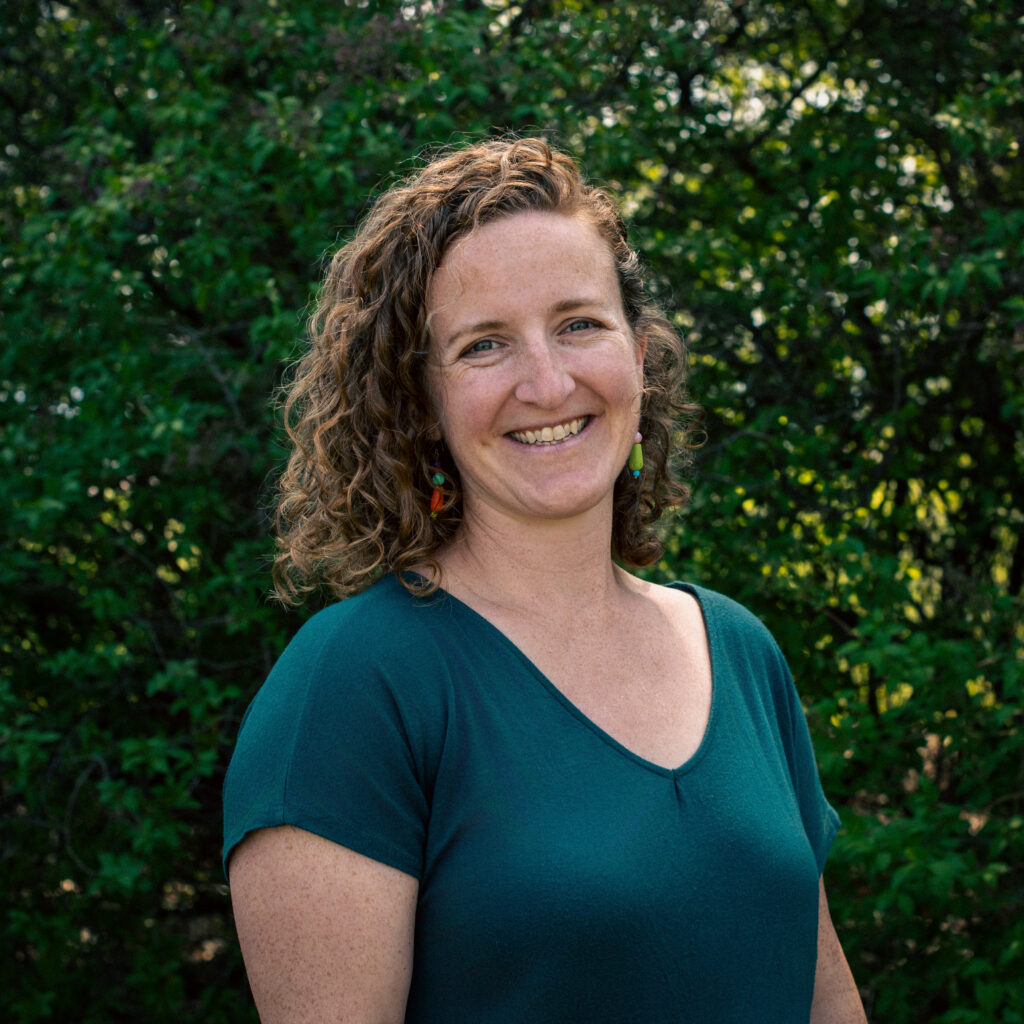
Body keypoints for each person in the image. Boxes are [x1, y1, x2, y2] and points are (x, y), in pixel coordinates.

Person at [223, 136, 867, 1023]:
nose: (548, 381)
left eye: (579, 325)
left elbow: (826, 1000)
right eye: (485, 345)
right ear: (421, 402)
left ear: (640, 355)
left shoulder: (739, 651)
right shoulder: (353, 685)